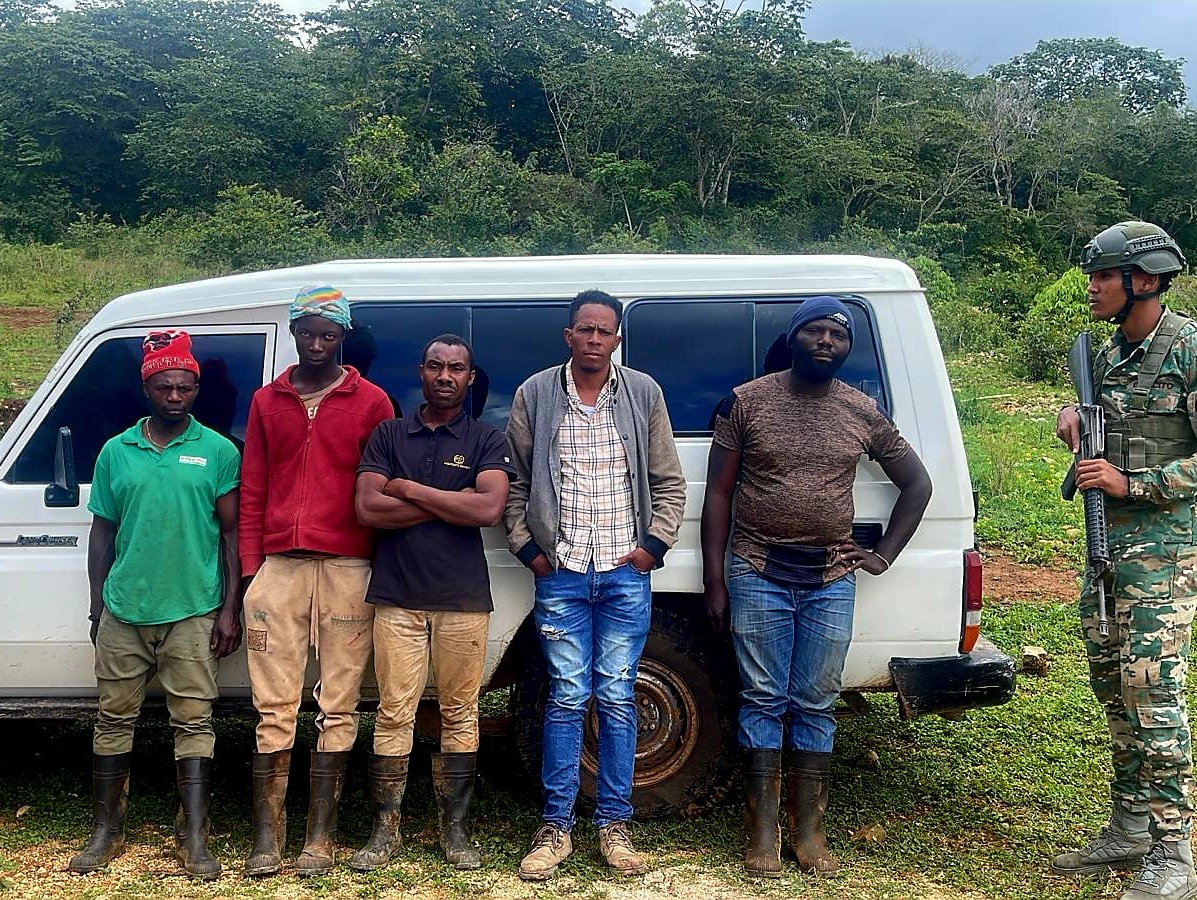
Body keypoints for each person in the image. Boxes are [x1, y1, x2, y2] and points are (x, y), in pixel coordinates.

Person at [1051, 222, 1197, 900]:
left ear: (1143, 279)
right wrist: (1076, 419)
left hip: (1163, 548)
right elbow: (1112, 427)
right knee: (1113, 686)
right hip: (1107, 544)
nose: (1091, 287)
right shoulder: (1108, 354)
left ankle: (1174, 855)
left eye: (1102, 276)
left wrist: (1135, 484)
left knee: (1152, 690)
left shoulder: (1195, 349)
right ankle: (1132, 826)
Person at [700, 297, 932, 877]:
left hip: (830, 577)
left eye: (838, 334)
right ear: (794, 338)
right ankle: (761, 834)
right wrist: (714, 579)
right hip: (756, 569)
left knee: (815, 700)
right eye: (815, 331)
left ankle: (809, 833)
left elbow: (917, 484)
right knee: (762, 697)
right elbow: (719, 494)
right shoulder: (747, 401)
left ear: (847, 348)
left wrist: (882, 555)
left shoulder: (861, 410)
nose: (826, 341)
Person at [503, 289, 686, 881]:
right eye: (585, 329)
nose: (594, 339)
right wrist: (528, 550)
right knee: (565, 695)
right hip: (561, 572)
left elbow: (669, 481)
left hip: (624, 572)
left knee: (616, 694)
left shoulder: (643, 393)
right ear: (569, 335)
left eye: (605, 331)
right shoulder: (535, 393)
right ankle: (555, 828)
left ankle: (614, 826)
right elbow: (514, 481)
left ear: (616, 339)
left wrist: (654, 545)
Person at [68, 330, 242, 881]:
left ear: (196, 390)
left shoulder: (218, 451)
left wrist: (230, 608)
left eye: (185, 387)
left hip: (192, 610)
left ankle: (193, 836)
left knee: (194, 721)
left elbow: (231, 535)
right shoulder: (116, 451)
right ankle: (107, 831)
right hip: (124, 610)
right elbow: (102, 532)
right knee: (112, 718)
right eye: (165, 387)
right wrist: (97, 606)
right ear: (147, 388)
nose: (175, 396)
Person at [238, 285, 395, 877]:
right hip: (279, 566)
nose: (317, 344)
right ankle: (268, 837)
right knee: (272, 704)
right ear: (293, 333)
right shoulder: (268, 399)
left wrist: (378, 565)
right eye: (307, 332)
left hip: (348, 566)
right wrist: (251, 571)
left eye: (328, 334)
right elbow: (253, 487)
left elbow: (382, 487)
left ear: (343, 336)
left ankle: (319, 839)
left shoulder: (371, 401)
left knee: (339, 704)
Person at [351, 334, 513, 872]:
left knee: (460, 711)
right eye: (436, 366)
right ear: (421, 372)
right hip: (397, 596)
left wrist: (410, 489)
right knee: (393, 711)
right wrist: (451, 502)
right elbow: (368, 509)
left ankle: (455, 831)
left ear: (470, 377)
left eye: (457, 368)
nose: (446, 376)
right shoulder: (389, 433)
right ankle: (385, 830)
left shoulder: (487, 439)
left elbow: (488, 509)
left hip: (462, 599)